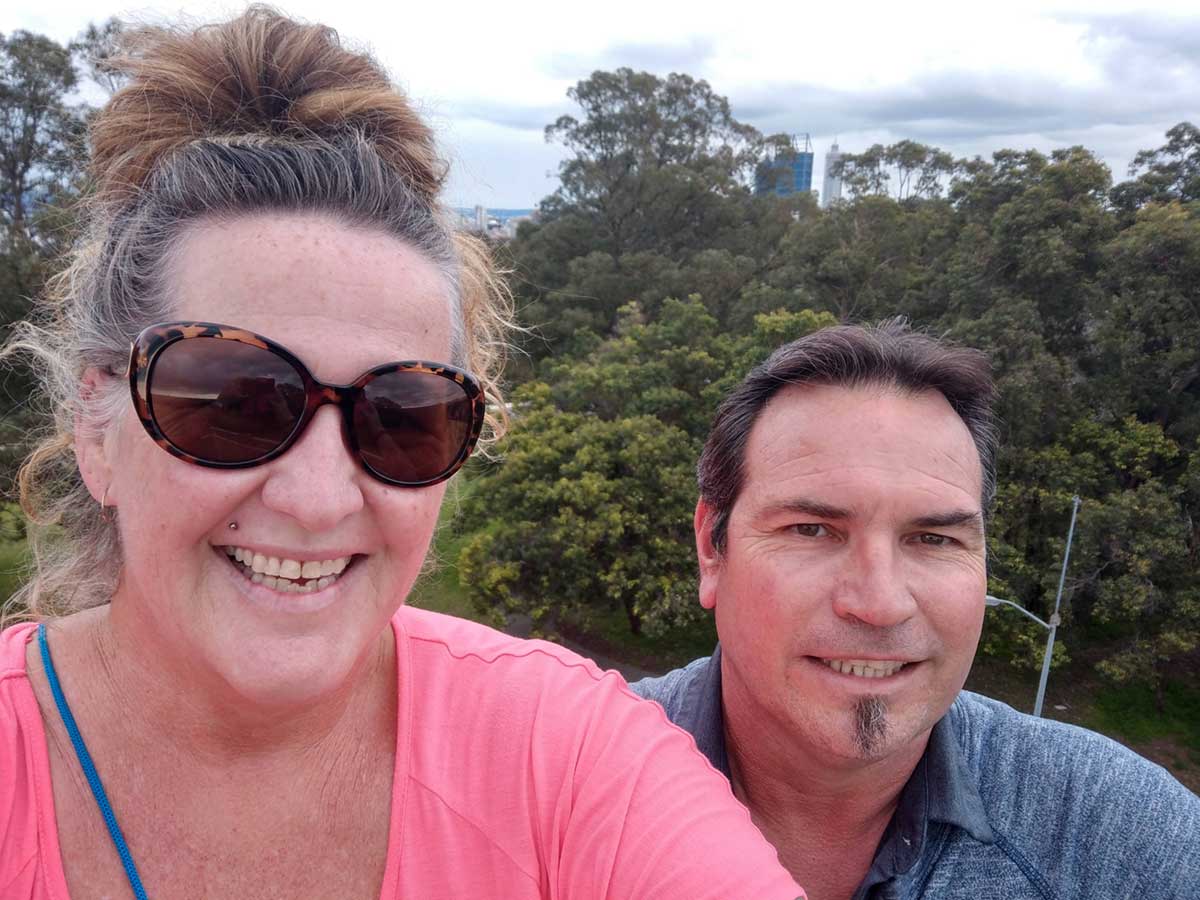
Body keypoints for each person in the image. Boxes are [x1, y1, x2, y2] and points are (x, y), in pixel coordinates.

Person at [0, 10, 805, 899]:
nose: (315, 498)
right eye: (233, 402)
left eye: (399, 416)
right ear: (95, 427)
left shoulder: (564, 755)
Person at [630, 322, 1200, 900]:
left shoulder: (1124, 841)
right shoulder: (565, 785)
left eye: (933, 539)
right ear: (712, 548)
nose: (880, 605)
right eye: (812, 529)